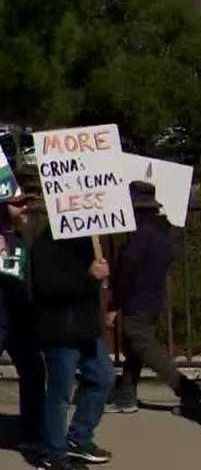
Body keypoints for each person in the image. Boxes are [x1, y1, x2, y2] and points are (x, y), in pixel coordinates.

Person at [106, 181, 201, 414]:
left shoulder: (141, 235)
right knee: (135, 346)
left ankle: (188, 390)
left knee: (144, 346)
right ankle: (126, 396)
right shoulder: (163, 231)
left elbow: (127, 272)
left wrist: (114, 304)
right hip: (152, 297)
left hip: (137, 299)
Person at [32, 226, 116, 470]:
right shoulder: (45, 244)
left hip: (87, 328)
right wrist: (89, 277)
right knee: (60, 395)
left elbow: (90, 284)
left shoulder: (87, 240)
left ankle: (78, 439)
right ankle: (53, 455)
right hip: (60, 331)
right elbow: (47, 289)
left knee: (103, 378)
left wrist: (102, 277)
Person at [0, 189, 45, 455]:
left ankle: (31, 433)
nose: (25, 209)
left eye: (26, 203)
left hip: (20, 321)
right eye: (18, 205)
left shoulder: (22, 239)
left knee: (34, 374)